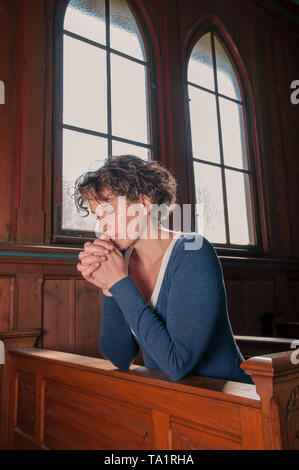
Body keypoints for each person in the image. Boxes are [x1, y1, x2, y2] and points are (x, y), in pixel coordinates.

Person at [75, 155, 254, 385]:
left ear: (145, 203)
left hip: (231, 402)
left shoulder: (192, 252)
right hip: (171, 402)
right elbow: (119, 358)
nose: (102, 227)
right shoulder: (121, 260)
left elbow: (177, 365)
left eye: (109, 212)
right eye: (99, 217)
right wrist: (110, 288)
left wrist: (119, 282)